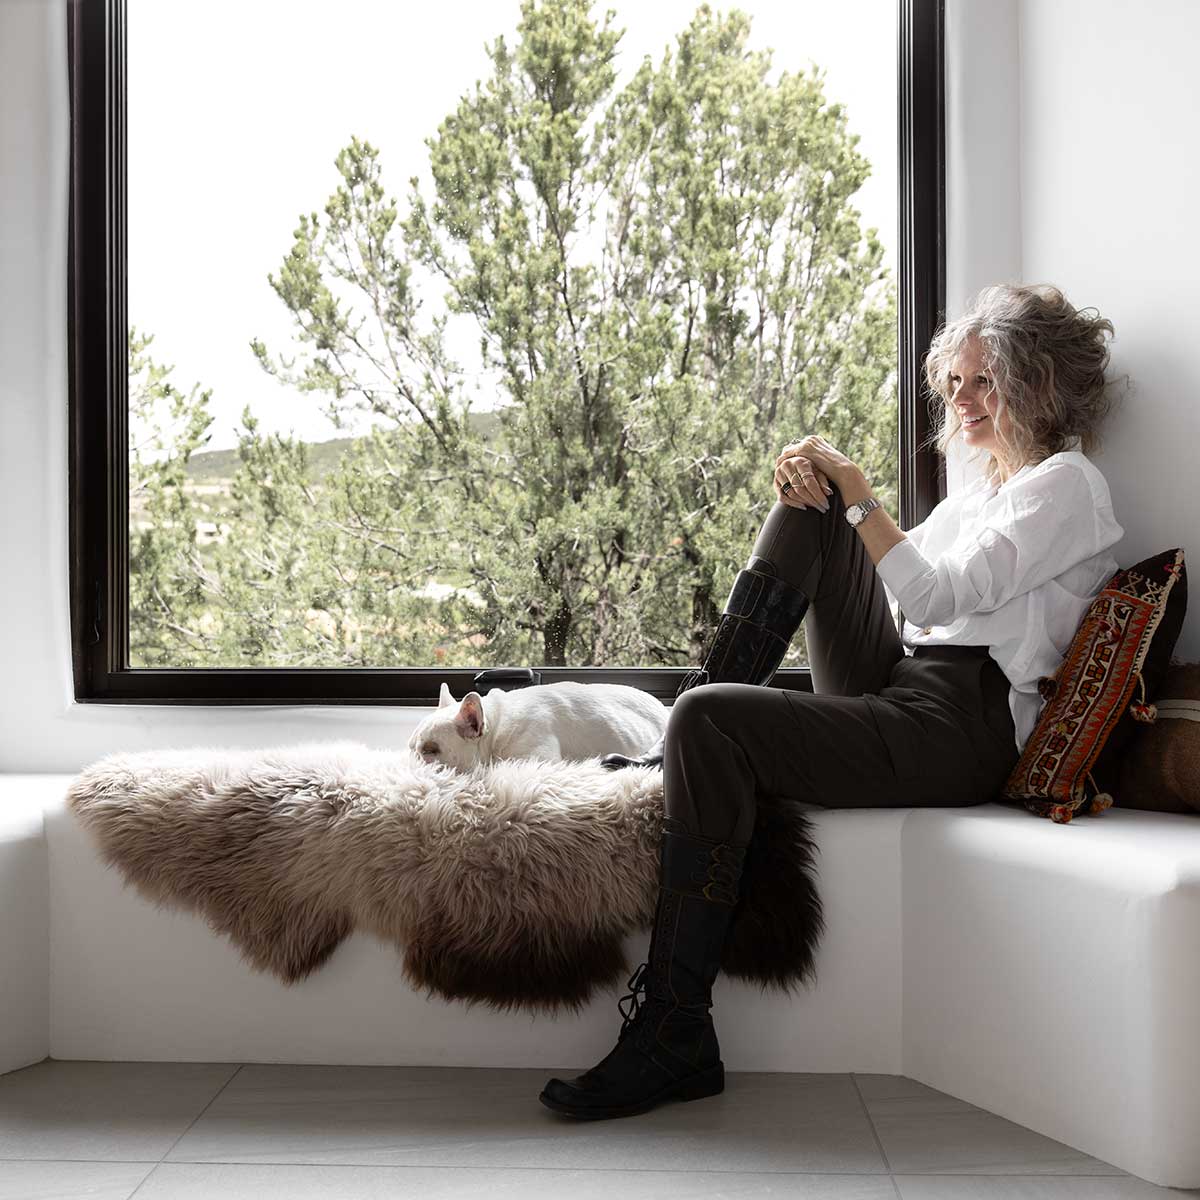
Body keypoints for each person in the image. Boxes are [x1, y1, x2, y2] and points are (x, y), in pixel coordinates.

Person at [538, 282, 1126, 1120]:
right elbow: (890, 596)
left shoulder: (1066, 487)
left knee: (713, 717)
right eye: (952, 383)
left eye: (982, 382)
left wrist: (861, 496)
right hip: (906, 683)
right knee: (808, 504)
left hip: (962, 726)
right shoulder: (983, 489)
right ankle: (677, 751)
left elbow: (932, 598)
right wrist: (825, 490)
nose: (960, 401)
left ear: (1037, 384)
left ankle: (673, 1029)